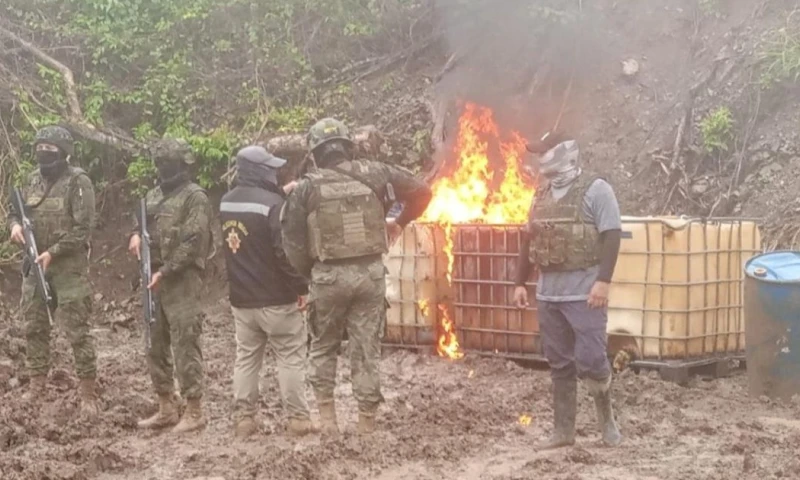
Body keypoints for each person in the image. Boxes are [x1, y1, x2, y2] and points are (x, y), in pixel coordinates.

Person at [280, 118, 432, 435]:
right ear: (349, 147)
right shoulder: (375, 172)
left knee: (323, 347)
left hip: (327, 277)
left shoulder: (306, 187)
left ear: (315, 153)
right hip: (370, 276)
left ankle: (328, 422)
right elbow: (422, 191)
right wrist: (399, 222)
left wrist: (313, 273)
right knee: (366, 350)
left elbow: (292, 243)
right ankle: (366, 422)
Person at [513, 134, 623, 448]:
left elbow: (612, 236)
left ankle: (607, 421)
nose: (540, 157)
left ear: (563, 153)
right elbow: (528, 239)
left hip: (584, 294)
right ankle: (563, 432)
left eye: (544, 151)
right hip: (549, 295)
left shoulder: (596, 190)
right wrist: (519, 283)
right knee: (559, 363)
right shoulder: (540, 194)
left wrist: (603, 281)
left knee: (591, 360)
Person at [219, 145, 314, 438]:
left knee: (246, 359)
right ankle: (298, 419)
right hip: (277, 301)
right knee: (290, 357)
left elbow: (254, 217)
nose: (275, 173)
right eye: (270, 169)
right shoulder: (273, 205)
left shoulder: (226, 203)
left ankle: (244, 420)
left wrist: (282, 193)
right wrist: (302, 287)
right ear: (259, 171)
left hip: (242, 301)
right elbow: (283, 255)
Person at [6, 125, 99, 416]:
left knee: (78, 331)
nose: (43, 154)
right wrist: (15, 226)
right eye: (40, 149)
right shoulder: (31, 180)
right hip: (35, 266)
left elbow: (83, 229)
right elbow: (15, 211)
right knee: (34, 327)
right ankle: (37, 386)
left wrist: (53, 252)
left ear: (64, 152)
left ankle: (88, 394)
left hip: (68, 269)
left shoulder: (78, 182)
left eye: (50, 149)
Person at [128, 138, 212, 434]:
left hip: (182, 280)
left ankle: (194, 409)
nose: (165, 168)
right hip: (153, 278)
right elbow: (141, 226)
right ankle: (166, 405)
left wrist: (165, 271)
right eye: (161, 163)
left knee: (185, 342)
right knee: (155, 343)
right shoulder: (151, 196)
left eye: (170, 162)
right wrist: (135, 235)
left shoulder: (195, 197)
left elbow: (193, 242)